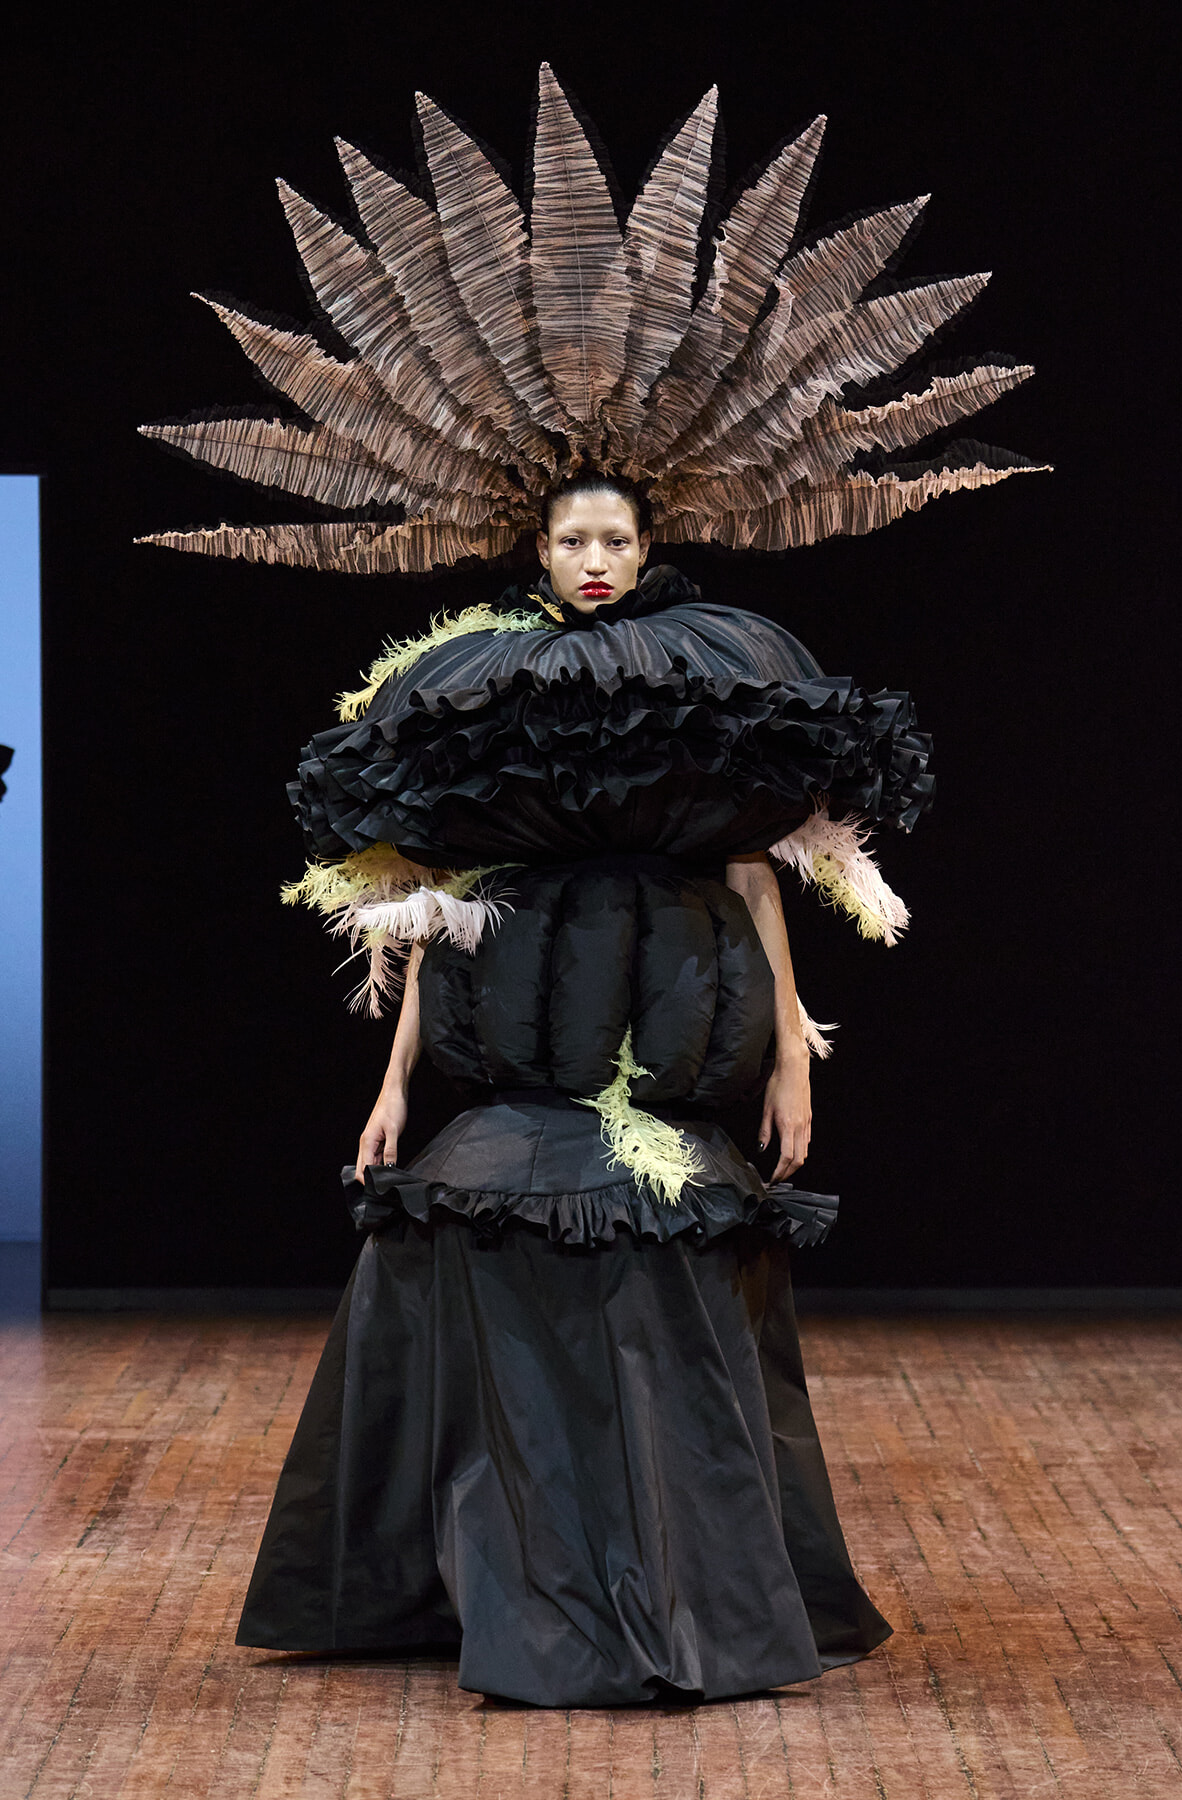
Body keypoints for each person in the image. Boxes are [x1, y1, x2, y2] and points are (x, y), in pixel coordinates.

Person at [138, 68, 1039, 1704]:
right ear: (539, 553)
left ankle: (679, 1584)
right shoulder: (476, 686)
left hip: (671, 996)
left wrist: (793, 1052)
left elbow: (763, 860)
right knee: (479, 1241)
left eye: (617, 537)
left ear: (648, 539)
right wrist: (390, 1084)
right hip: (523, 1008)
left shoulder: (719, 666)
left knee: (665, 1258)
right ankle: (497, 1575)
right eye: (574, 543)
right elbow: (433, 896)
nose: (598, 559)